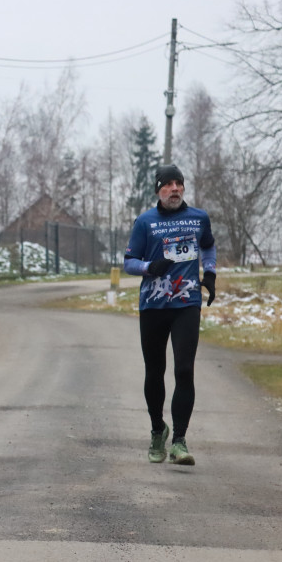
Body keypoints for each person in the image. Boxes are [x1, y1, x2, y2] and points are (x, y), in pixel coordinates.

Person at [123, 164, 216, 466]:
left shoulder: (199, 218)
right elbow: (129, 262)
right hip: (153, 306)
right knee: (154, 371)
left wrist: (210, 274)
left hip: (187, 304)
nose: (175, 188)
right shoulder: (145, 222)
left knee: (184, 371)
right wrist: (150, 267)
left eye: (179, 183)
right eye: (168, 184)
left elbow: (209, 247)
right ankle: (156, 430)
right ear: (158, 190)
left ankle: (179, 440)